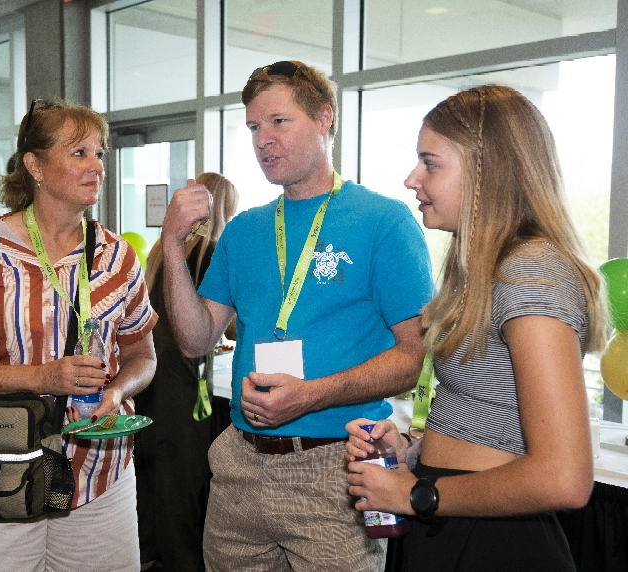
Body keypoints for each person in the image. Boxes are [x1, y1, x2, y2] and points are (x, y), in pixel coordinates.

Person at [160, 60, 434, 571]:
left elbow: (411, 359)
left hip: (337, 466)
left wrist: (309, 395)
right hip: (241, 464)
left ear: (325, 118)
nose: (263, 139)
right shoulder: (244, 230)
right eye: (253, 127)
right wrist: (172, 244)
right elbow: (195, 341)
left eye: (278, 121)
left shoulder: (384, 221)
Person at [345, 85, 607, 572]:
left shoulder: (532, 273)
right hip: (456, 519)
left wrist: (421, 494)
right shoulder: (489, 269)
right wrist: (410, 452)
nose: (411, 179)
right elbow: (491, 425)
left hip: (493, 541)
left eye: (431, 163)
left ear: (489, 172)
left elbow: (565, 478)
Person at [0, 99, 158, 572]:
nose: (96, 166)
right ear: (34, 165)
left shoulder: (118, 258)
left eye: (100, 154)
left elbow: (144, 355)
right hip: (0, 469)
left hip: (100, 476)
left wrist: (117, 391)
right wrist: (43, 377)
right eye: (78, 154)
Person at [134, 172, 239, 572]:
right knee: (184, 487)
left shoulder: (166, 249)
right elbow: (220, 326)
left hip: (150, 376)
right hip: (183, 382)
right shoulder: (210, 252)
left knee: (154, 482)